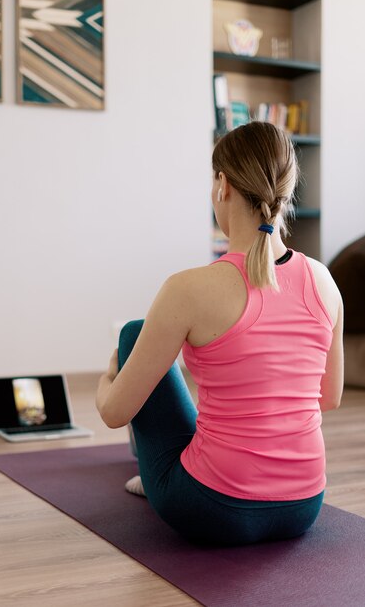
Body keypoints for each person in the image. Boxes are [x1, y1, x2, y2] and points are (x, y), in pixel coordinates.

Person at [96, 122, 344, 546]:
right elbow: (329, 398)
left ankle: (157, 474)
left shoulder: (188, 288)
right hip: (304, 506)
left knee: (135, 334)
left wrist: (109, 378)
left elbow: (114, 413)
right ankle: (164, 468)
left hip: (212, 507)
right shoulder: (323, 281)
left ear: (223, 185)